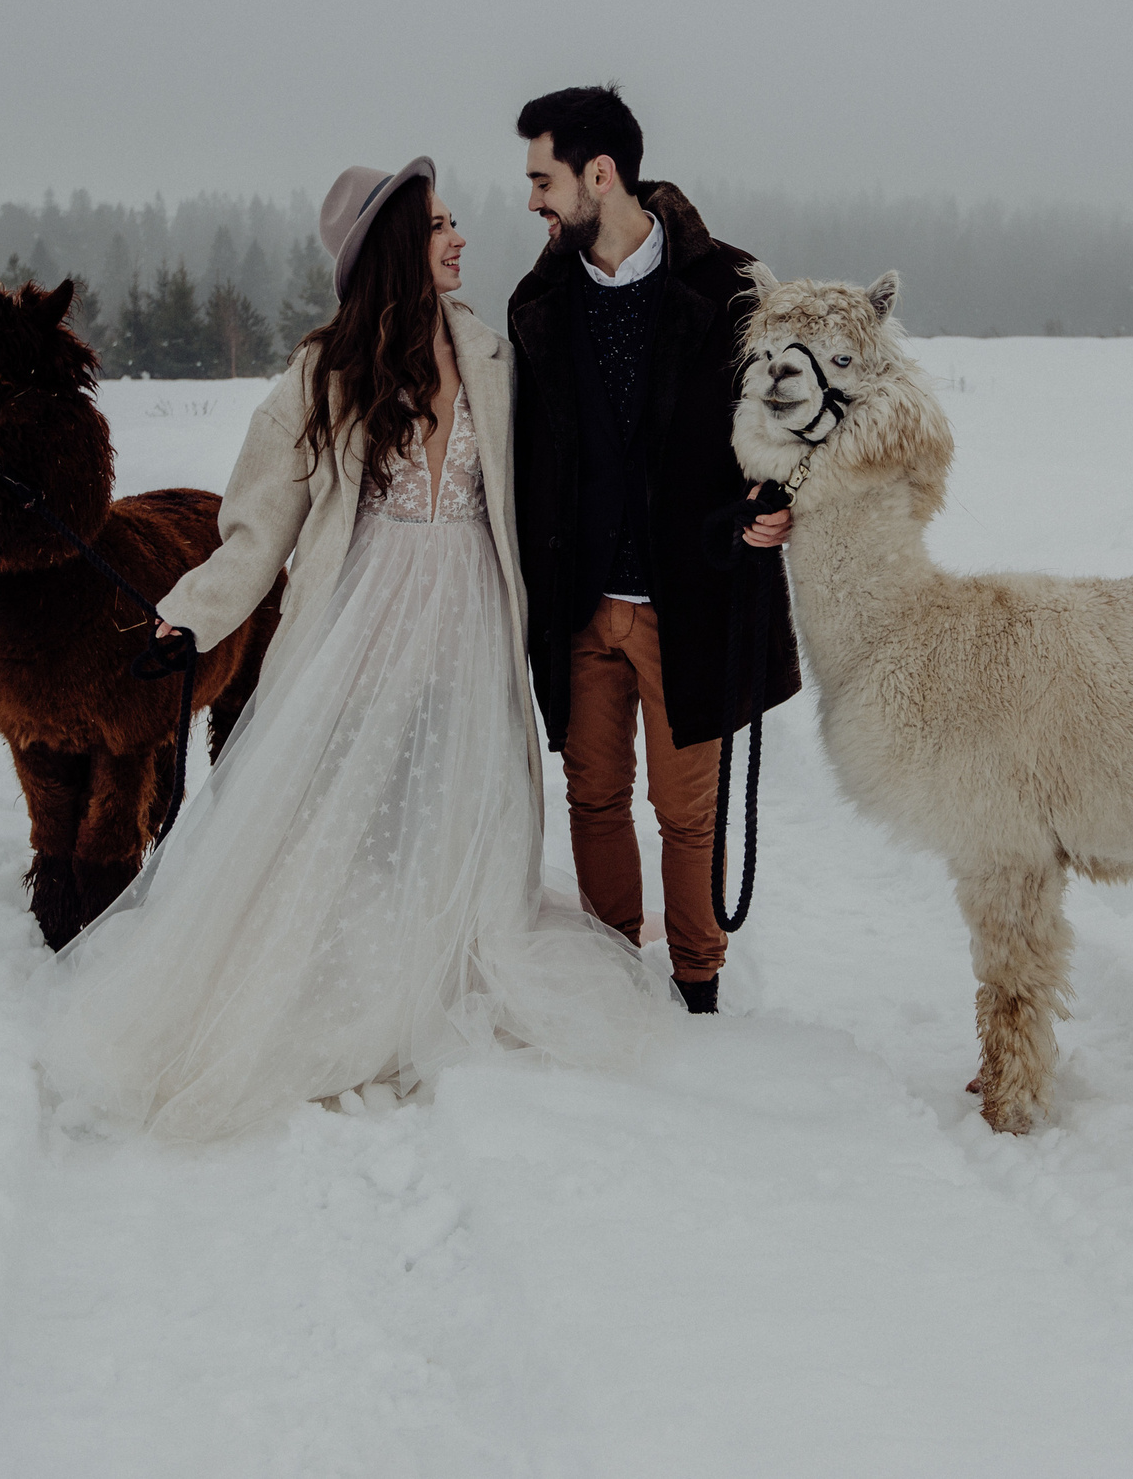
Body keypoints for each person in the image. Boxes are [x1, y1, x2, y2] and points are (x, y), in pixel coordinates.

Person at [43, 160, 667, 1142]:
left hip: (474, 618)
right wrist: (193, 616)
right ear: (393, 249)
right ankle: (347, 973)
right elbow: (258, 526)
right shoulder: (323, 375)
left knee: (466, 796)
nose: (460, 238)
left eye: (455, 223)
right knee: (343, 806)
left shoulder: (494, 355)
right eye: (439, 226)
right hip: (365, 618)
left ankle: (444, 958)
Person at [508, 86, 799, 1016]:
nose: (532, 200)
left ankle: (698, 986)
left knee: (687, 812)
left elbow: (788, 423)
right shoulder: (538, 303)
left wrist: (781, 500)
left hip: (692, 596)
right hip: (582, 602)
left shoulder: (735, 286)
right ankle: (611, 979)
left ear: (601, 174)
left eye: (543, 179)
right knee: (593, 797)